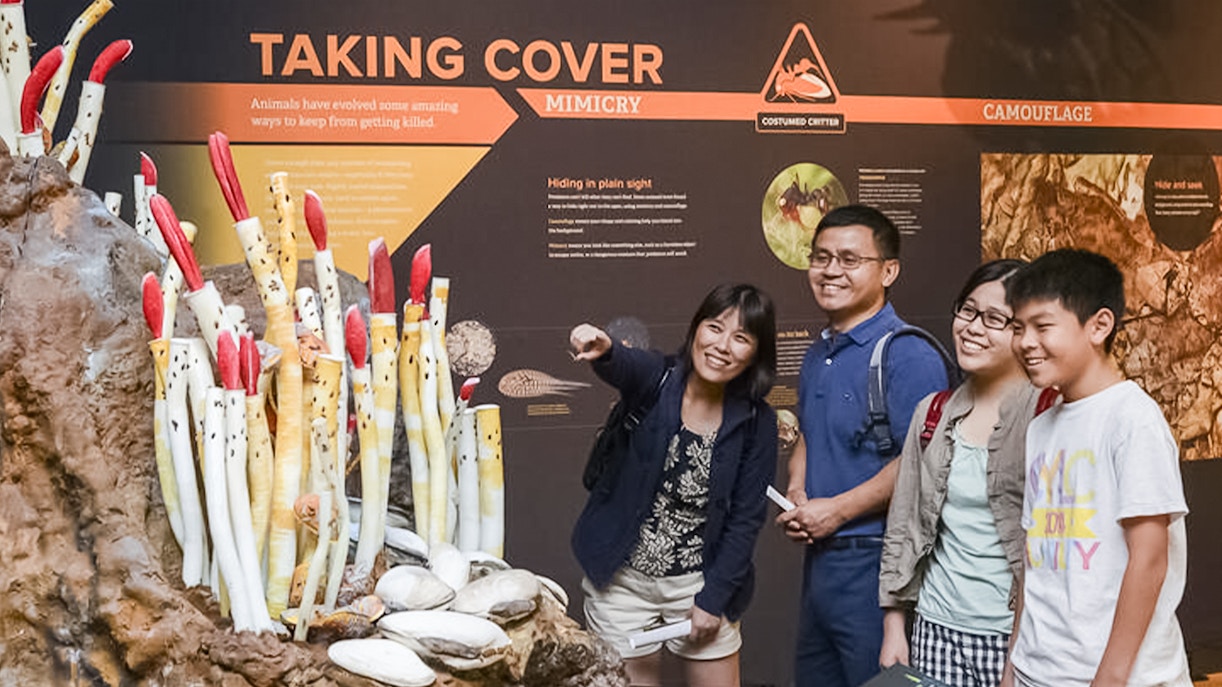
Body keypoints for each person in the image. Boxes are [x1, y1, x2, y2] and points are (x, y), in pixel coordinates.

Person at [570, 283, 779, 687]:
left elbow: (746, 519)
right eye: (715, 328)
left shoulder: (757, 422)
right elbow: (624, 362)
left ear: (756, 353)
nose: (722, 345)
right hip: (622, 583)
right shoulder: (659, 379)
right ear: (696, 327)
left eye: (741, 338)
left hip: (700, 583)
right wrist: (603, 344)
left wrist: (712, 599)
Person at [776, 204, 950, 687]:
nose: (831, 270)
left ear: (888, 270)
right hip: (821, 566)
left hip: (879, 568)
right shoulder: (819, 350)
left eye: (850, 260)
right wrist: (798, 489)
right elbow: (810, 432)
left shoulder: (908, 354)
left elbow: (922, 464)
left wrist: (839, 511)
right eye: (821, 257)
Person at [1002, 248, 1191, 687]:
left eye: (1042, 326)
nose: (1026, 342)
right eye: (1018, 327)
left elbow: (1149, 559)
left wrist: (1110, 677)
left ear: (1099, 325)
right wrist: (1015, 662)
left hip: (1119, 677)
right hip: (1038, 669)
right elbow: (1035, 558)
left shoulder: (1132, 418)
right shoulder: (1041, 427)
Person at [878, 259, 1037, 687]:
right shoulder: (932, 412)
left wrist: (1017, 656)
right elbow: (904, 521)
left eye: (994, 319)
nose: (972, 327)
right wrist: (895, 624)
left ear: (1023, 332)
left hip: (1013, 635)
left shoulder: (1046, 413)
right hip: (936, 630)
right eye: (967, 310)